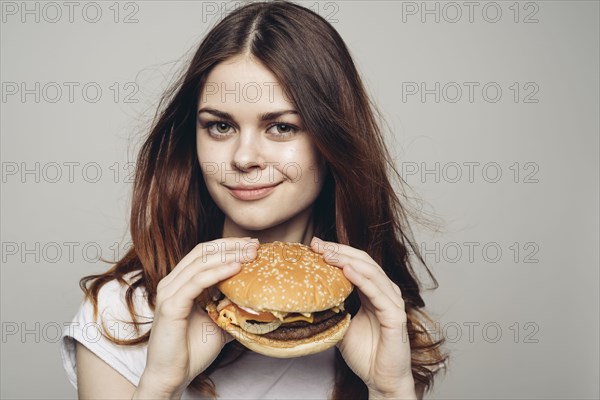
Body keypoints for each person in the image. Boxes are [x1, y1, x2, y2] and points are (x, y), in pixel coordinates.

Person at [60, 1, 447, 398]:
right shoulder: (118, 316)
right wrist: (162, 384)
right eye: (220, 126)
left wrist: (390, 390)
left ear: (333, 140)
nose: (244, 158)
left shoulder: (383, 320)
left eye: (281, 127)